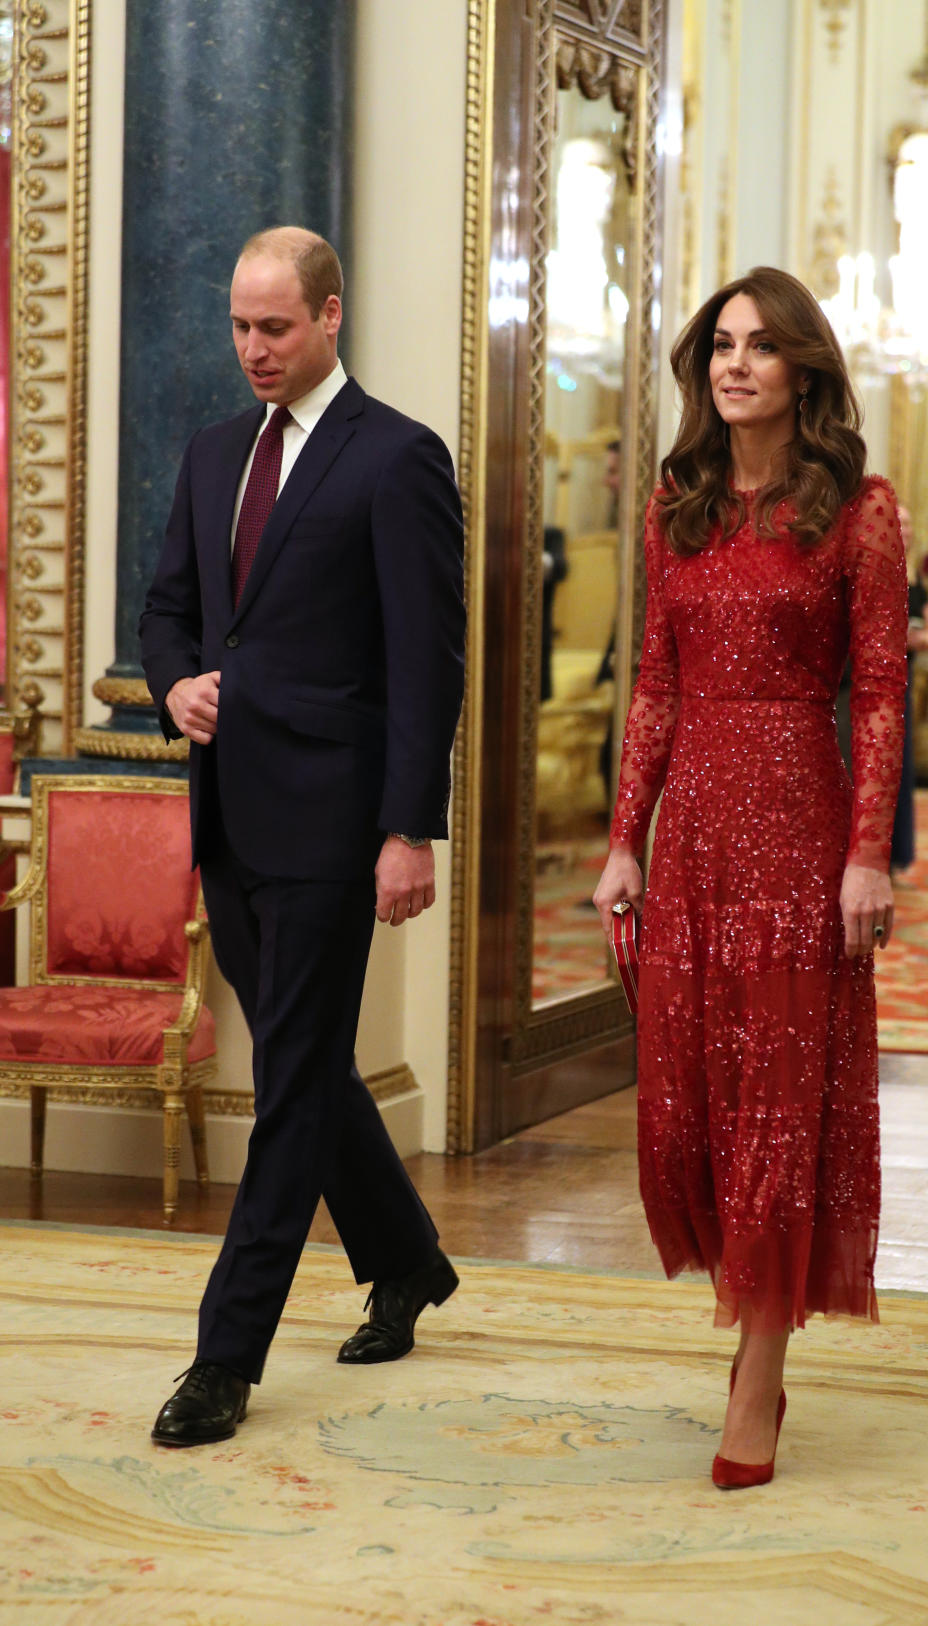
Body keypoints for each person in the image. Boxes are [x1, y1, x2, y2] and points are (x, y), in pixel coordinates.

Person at [139, 227, 466, 1448]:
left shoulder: (398, 459)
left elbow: (426, 668)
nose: (253, 349)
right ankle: (408, 1259)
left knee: (286, 1086)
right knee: (312, 1064)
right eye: (239, 325)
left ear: (332, 316)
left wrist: (408, 831)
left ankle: (224, 1360)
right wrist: (175, 687)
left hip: (337, 828)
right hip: (230, 815)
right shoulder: (213, 452)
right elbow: (170, 610)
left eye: (275, 327)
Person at [593, 266, 907, 1489]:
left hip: (797, 828)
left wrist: (867, 855)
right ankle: (750, 1311)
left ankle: (762, 1373)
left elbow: (877, 695)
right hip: (695, 848)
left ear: (803, 373)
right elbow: (658, 685)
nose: (734, 365)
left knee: (781, 1101)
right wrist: (628, 836)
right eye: (720, 345)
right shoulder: (681, 503)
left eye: (760, 348)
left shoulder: (857, 511)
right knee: (696, 1104)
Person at [890, 503, 928, 874]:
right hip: (867, 681)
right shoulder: (876, 571)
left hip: (902, 682)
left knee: (901, 771)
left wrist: (915, 640)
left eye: (908, 523)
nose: (903, 529)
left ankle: (898, 854)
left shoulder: (918, 582)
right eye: (898, 522)